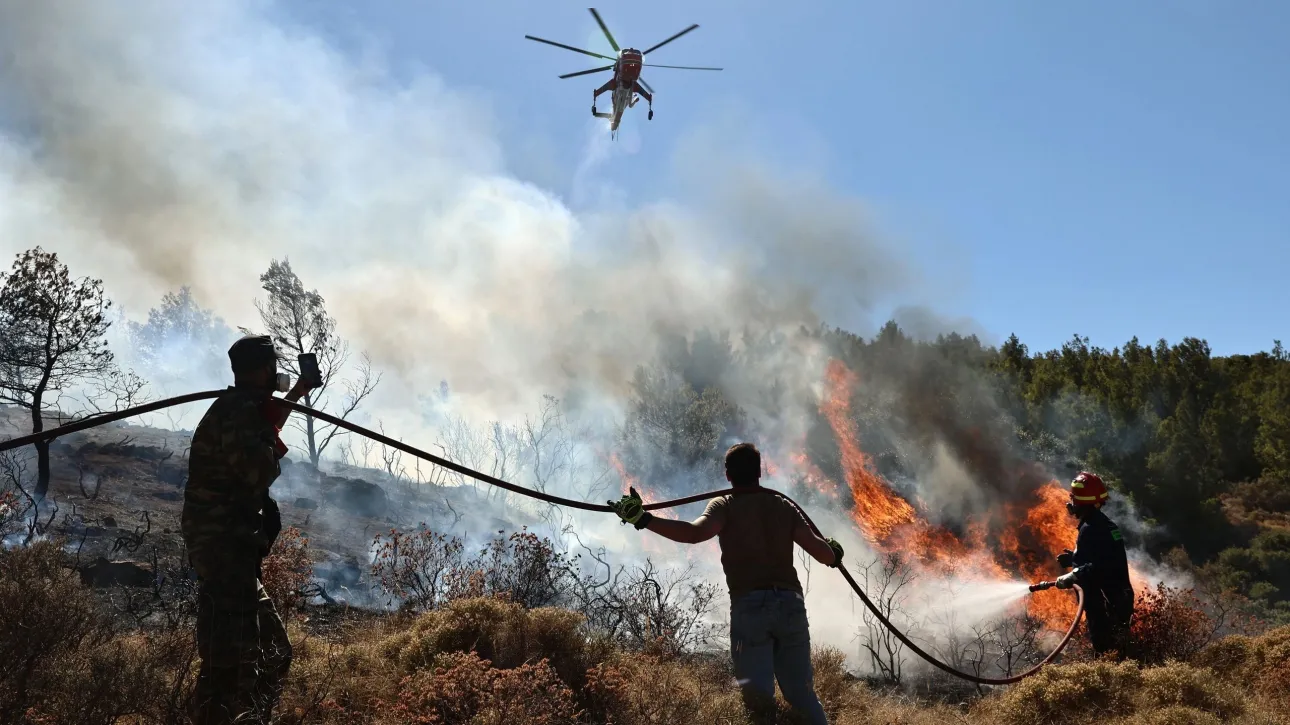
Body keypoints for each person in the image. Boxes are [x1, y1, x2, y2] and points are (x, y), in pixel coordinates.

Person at [609, 442, 843, 725]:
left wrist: (643, 519)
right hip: (791, 607)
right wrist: (833, 550)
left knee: (759, 701)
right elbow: (823, 555)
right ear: (759, 472)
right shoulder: (783, 506)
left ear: (728, 475)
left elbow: (695, 534)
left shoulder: (725, 505)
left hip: (751, 607)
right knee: (803, 696)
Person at [182, 334, 311, 724]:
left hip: (235, 551)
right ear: (263, 370)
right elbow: (258, 470)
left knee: (273, 652)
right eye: (272, 367)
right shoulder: (237, 413)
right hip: (224, 550)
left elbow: (262, 427)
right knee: (230, 666)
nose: (277, 374)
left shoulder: (244, 409)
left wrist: (300, 391)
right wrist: (273, 442)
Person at [1053, 471, 1135, 658]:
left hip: (1106, 603)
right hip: (1117, 598)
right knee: (1117, 650)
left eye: (1073, 500)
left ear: (1081, 502)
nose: (1070, 504)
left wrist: (1073, 575)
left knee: (1108, 652)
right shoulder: (1103, 524)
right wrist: (1073, 559)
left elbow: (1099, 565)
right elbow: (1103, 556)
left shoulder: (1091, 528)